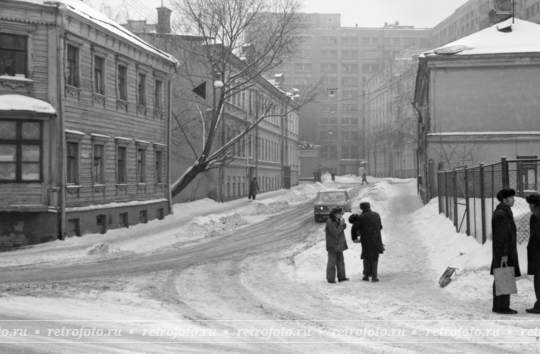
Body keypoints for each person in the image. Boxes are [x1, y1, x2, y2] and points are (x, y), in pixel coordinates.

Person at [491, 188, 521, 314]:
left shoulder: (503, 211)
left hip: (503, 251)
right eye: (511, 197)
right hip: (503, 252)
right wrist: (504, 254)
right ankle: (502, 307)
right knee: (504, 275)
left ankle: (498, 305)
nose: (514, 199)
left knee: (501, 275)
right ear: (505, 200)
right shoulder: (502, 214)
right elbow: (502, 236)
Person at [352, 202, 383, 282]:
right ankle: (374, 276)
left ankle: (366, 276)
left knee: (366, 256)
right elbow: (380, 227)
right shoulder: (376, 215)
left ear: (361, 208)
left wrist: (354, 238)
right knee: (375, 257)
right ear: (369, 207)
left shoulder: (361, 217)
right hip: (376, 239)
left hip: (366, 239)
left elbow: (354, 228)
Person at [325, 206, 349, 284]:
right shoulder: (330, 221)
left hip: (339, 245)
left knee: (341, 262)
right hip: (333, 245)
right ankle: (330, 278)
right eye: (339, 214)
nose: (340, 215)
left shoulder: (337, 220)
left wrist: (343, 225)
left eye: (341, 214)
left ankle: (341, 277)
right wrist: (341, 225)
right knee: (332, 262)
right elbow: (335, 232)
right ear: (334, 214)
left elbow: (340, 229)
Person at [526, 193, 540, 314]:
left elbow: (535, 236)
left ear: (533, 204)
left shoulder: (535, 216)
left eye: (529, 204)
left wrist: (531, 248)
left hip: (538, 252)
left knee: (538, 277)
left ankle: (539, 305)